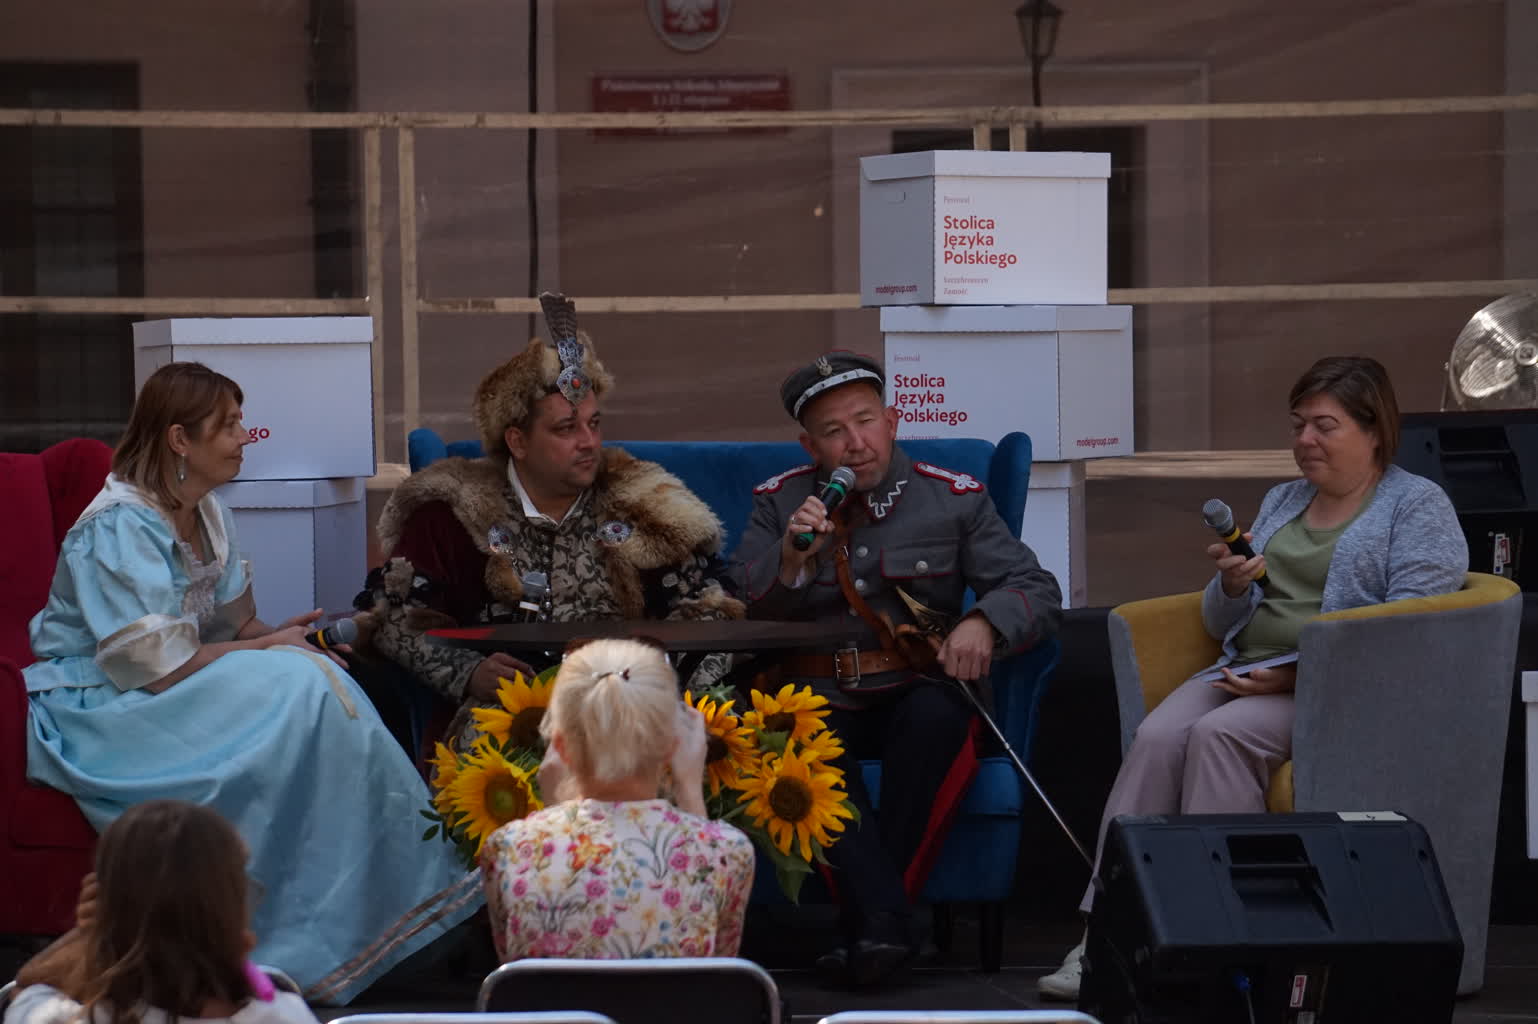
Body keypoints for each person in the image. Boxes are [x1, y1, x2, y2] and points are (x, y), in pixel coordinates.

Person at [21, 362, 481, 1006]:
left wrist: (281, 638)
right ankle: (322, 933)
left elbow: (238, 626)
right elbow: (153, 666)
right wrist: (270, 651)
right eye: (229, 426)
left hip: (176, 679)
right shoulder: (119, 523)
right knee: (302, 681)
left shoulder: (206, 510)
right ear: (180, 439)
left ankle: (386, 908)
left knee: (315, 676)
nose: (245, 438)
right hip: (105, 704)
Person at [1038, 355, 1470, 1001]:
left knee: (1221, 736)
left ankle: (1211, 939)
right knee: (1159, 738)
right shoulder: (1283, 499)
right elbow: (1219, 619)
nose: (1304, 442)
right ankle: (1105, 934)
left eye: (1324, 426)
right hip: (1242, 667)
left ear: (1374, 430)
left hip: (1337, 691)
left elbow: (1405, 630)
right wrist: (1231, 586)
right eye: (1299, 425)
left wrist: (1299, 673)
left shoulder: (1416, 507)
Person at [732, 351, 1063, 987]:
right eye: (834, 432)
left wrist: (983, 622)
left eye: (865, 422)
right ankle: (888, 927)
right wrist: (795, 561)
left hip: (916, 686)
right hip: (819, 693)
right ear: (810, 445)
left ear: (892, 420)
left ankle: (868, 927)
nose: (855, 444)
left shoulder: (952, 499)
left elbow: (1035, 588)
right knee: (797, 740)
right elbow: (742, 604)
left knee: (939, 714)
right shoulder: (781, 504)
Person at [356, 293, 742, 756]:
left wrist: (667, 684)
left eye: (594, 424)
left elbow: (708, 609)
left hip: (635, 712)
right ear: (517, 440)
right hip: (512, 722)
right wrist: (467, 673)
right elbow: (391, 615)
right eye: (567, 428)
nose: (589, 442)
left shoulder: (642, 503)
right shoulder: (453, 512)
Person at [478, 638, 755, 959]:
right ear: (671, 744)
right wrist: (690, 789)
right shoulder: (729, 852)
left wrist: (552, 808)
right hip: (671, 1011)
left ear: (560, 747)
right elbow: (715, 968)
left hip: (561, 1010)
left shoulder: (508, 848)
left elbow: (523, 973)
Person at [5, 800, 318, 1024]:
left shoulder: (62, 1017)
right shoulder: (281, 1013)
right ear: (229, 908)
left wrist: (88, 935)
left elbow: (25, 987)